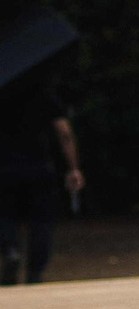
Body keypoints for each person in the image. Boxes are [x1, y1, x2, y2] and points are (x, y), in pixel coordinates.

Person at [0, 73, 80, 286]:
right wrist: (73, 168)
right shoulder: (43, 93)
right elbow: (64, 132)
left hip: (4, 168)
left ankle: (10, 250)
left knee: (4, 215)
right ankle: (35, 271)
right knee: (42, 221)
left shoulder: (3, 89)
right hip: (39, 166)